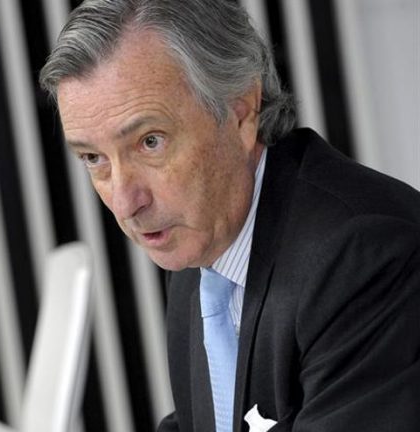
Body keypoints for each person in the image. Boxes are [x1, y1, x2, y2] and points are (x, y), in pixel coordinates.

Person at [39, 0, 420, 431]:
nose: (127, 203)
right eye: (93, 158)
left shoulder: (363, 257)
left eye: (150, 142)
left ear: (241, 112)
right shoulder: (201, 244)